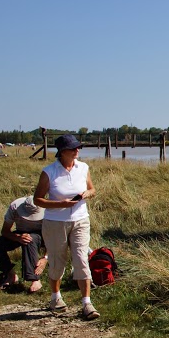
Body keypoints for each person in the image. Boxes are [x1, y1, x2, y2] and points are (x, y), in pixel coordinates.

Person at [32, 134, 99, 320]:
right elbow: (38, 199)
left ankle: (87, 304)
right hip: (55, 223)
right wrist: (61, 204)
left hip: (81, 220)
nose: (77, 151)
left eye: (78, 147)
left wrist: (87, 194)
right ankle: (56, 298)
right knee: (57, 260)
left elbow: (93, 189)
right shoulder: (49, 172)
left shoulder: (83, 168)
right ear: (62, 152)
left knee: (81, 259)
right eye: (73, 148)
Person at [0, 196, 48, 293]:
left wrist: (45, 258)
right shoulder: (15, 206)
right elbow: (5, 231)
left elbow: (54, 237)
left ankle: (35, 279)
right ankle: (10, 274)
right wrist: (17, 238)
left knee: (30, 239)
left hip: (41, 234)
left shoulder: (48, 210)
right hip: (21, 232)